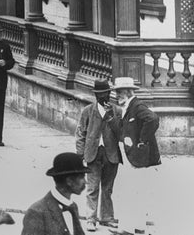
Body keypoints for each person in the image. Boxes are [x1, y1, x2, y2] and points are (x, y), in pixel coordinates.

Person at [74, 78, 121, 229]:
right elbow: (80, 133)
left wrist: (111, 117)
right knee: (92, 187)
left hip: (111, 154)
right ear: (95, 95)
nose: (102, 97)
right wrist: (80, 154)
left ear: (109, 93)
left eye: (105, 93)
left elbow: (121, 133)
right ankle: (91, 219)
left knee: (107, 188)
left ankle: (107, 217)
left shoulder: (116, 111)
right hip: (93, 153)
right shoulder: (87, 111)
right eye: (99, 94)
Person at [20, 152, 88, 235]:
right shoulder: (36, 212)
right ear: (69, 181)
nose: (85, 182)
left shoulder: (73, 207)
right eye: (82, 177)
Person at [112, 76, 160, 170]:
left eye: (119, 92)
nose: (116, 95)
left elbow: (153, 119)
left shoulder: (137, 106)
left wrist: (142, 140)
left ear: (128, 91)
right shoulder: (127, 106)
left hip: (142, 157)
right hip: (131, 155)